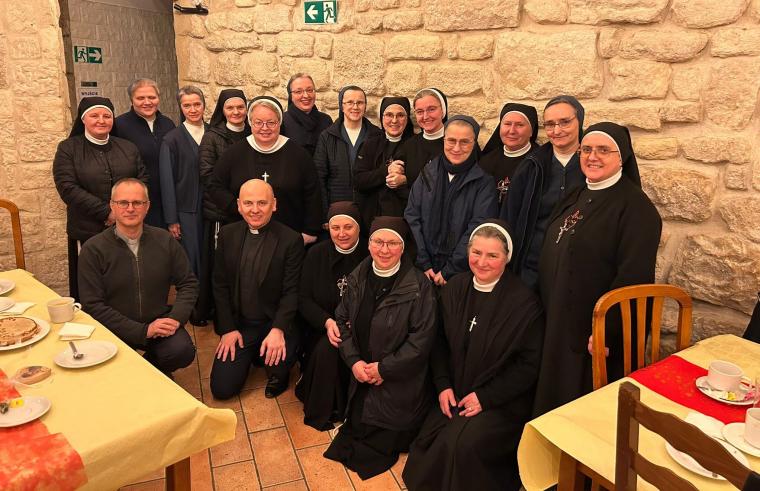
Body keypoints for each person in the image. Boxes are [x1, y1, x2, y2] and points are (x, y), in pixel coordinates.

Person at [403, 221, 544, 491]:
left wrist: (486, 397)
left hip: (500, 401)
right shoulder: (455, 287)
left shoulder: (524, 303)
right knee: (429, 438)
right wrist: (443, 385)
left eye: (492, 255)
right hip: (456, 390)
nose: (482, 262)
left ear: (506, 258)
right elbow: (438, 342)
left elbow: (528, 366)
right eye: (476, 253)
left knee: (462, 445)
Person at [533, 122, 662, 415]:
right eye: (587, 149)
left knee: (580, 406)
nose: (593, 157)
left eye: (603, 150)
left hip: (592, 332)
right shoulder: (577, 194)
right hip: (557, 319)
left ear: (622, 157)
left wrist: (607, 331)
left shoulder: (636, 209)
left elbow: (634, 278)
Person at [323, 216, 436, 479]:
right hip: (363, 373)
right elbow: (341, 319)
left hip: (399, 380)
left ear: (403, 247)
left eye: (392, 243)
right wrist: (354, 362)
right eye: (378, 242)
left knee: (383, 437)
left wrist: (384, 369)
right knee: (357, 428)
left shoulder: (419, 287)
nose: (384, 250)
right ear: (369, 243)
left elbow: (421, 342)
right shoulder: (358, 275)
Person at [78, 178, 198, 375]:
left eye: (137, 202)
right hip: (114, 328)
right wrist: (142, 331)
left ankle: (147, 372)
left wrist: (175, 318)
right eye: (123, 203)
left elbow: (188, 283)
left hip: (158, 322)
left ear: (147, 206)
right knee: (108, 371)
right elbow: (92, 304)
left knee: (181, 351)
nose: (130, 208)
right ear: (112, 206)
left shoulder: (165, 240)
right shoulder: (93, 249)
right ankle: (143, 375)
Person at [210, 179, 305, 399]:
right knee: (222, 389)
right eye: (248, 203)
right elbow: (220, 285)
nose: (255, 210)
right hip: (240, 326)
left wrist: (278, 329)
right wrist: (227, 329)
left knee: (278, 365)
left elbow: (292, 291)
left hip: (274, 323)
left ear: (274, 204)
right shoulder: (227, 234)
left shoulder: (290, 240)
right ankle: (254, 353)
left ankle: (277, 368)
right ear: (239, 205)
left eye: (262, 203)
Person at [53, 96, 148, 300]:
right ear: (83, 119)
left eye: (107, 116)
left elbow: (142, 180)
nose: (101, 120)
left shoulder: (128, 147)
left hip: (127, 228)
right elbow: (67, 187)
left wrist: (124, 211)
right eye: (94, 116)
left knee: (126, 281)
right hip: (88, 228)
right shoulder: (68, 148)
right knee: (91, 284)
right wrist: (107, 212)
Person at [208, 96, 322, 245]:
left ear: (279, 122)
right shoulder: (234, 153)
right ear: (250, 123)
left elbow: (313, 194)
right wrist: (239, 208)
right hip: (244, 234)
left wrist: (310, 231)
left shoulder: (299, 155)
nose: (265, 127)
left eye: (271, 122)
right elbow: (215, 186)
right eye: (258, 122)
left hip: (289, 234)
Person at [295, 202, 367, 431]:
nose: (342, 233)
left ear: (358, 227)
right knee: (328, 348)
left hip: (361, 328)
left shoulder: (371, 253)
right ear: (328, 229)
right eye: (336, 228)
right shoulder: (315, 254)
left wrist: (357, 321)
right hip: (322, 327)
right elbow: (303, 298)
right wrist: (327, 322)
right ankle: (326, 407)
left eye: (348, 227)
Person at [405, 115, 497, 286]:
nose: (456, 148)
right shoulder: (428, 173)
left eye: (465, 142)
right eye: (451, 140)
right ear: (444, 140)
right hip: (423, 269)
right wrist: (423, 261)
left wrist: (450, 270)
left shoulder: (483, 183)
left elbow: (478, 229)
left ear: (474, 143)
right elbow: (412, 216)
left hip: (459, 274)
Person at [506, 95, 586, 289]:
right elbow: (510, 216)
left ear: (580, 121)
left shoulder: (594, 165)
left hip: (580, 270)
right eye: (550, 124)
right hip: (533, 269)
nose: (556, 130)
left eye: (565, 122)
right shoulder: (532, 166)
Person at [196, 89, 250, 324]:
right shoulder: (212, 137)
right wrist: (233, 204)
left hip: (250, 212)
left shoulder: (253, 133)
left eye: (240, 107)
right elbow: (207, 175)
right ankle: (218, 312)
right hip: (222, 212)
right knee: (221, 266)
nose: (236, 112)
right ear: (222, 110)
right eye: (230, 108)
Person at [113, 79, 176, 228]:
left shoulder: (168, 124)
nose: (147, 102)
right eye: (140, 98)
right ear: (131, 100)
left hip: (167, 200)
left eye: (152, 97)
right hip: (135, 202)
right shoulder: (119, 125)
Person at [159, 85, 207, 279]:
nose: (193, 109)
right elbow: (167, 181)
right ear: (181, 108)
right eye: (187, 105)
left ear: (204, 105)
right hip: (187, 210)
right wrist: (172, 219)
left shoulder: (213, 133)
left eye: (197, 104)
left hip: (212, 207)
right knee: (192, 260)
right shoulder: (172, 140)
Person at [313, 85, 382, 216]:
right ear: (342, 106)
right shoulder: (327, 137)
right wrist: (325, 213)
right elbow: (319, 178)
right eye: (350, 102)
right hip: (338, 209)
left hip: (369, 209)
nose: (355, 107)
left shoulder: (377, 135)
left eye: (360, 103)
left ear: (365, 106)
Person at [354, 96, 415, 229]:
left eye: (400, 115)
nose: (394, 120)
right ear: (381, 118)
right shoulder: (370, 144)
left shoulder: (416, 145)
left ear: (407, 118)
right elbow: (358, 181)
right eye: (389, 115)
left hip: (405, 218)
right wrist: (386, 170)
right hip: (372, 218)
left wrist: (405, 180)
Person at [479, 103, 539, 210]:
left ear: (531, 131)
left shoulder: (540, 162)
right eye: (507, 124)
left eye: (519, 125)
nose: (512, 131)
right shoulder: (485, 162)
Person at [392, 88, 448, 188]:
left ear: (443, 110)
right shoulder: (409, 145)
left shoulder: (457, 143)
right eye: (419, 111)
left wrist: (407, 180)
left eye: (431, 109)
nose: (425, 116)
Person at [281, 73, 332, 156]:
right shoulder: (282, 121)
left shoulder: (326, 120)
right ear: (291, 96)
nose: (306, 95)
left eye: (309, 90)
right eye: (298, 91)